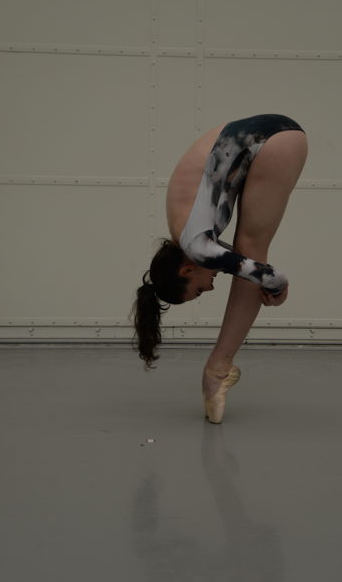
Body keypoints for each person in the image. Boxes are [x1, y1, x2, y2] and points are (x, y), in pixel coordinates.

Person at [132, 114, 308, 423]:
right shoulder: (184, 236)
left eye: (199, 290)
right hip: (262, 134)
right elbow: (245, 267)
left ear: (186, 271)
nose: (211, 286)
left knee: (251, 245)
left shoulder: (197, 249)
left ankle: (218, 369)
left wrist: (278, 288)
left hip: (272, 142)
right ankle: (218, 368)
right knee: (247, 250)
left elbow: (270, 275)